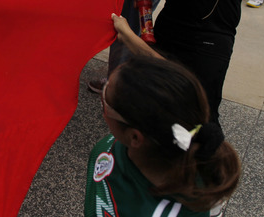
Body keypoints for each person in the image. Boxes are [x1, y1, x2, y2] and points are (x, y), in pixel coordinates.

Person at [86, 54, 240, 217]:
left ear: (135, 137)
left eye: (105, 100)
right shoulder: (208, 180)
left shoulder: (104, 151)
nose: (102, 99)